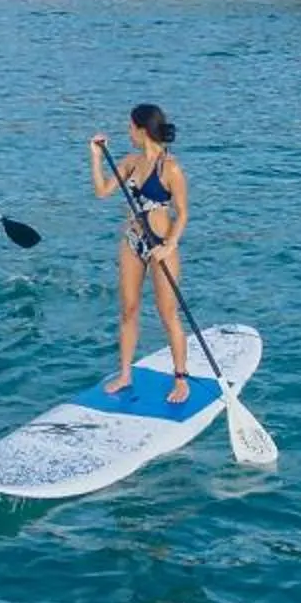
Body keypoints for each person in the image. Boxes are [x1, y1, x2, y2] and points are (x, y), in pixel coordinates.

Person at [90, 103, 193, 404]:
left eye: (130, 127)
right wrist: (96, 159)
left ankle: (181, 378)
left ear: (141, 129)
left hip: (161, 246)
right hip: (132, 242)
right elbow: (102, 192)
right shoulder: (131, 162)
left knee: (167, 312)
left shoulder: (170, 167)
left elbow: (183, 213)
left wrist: (169, 245)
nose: (127, 132)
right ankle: (124, 374)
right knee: (129, 309)